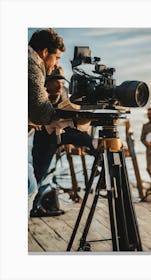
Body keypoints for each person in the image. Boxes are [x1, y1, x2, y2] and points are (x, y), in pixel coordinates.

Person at [30, 67, 96, 217]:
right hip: (44, 136)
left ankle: (36, 203)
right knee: (39, 171)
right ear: (46, 83)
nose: (60, 85)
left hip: (61, 132)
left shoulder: (65, 92)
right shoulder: (39, 95)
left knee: (48, 172)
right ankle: (33, 205)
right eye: (55, 82)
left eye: (61, 81)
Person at [28, 28, 66, 217]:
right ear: (44, 53)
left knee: (30, 184)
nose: (57, 63)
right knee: (28, 186)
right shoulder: (32, 67)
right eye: (56, 58)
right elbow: (42, 114)